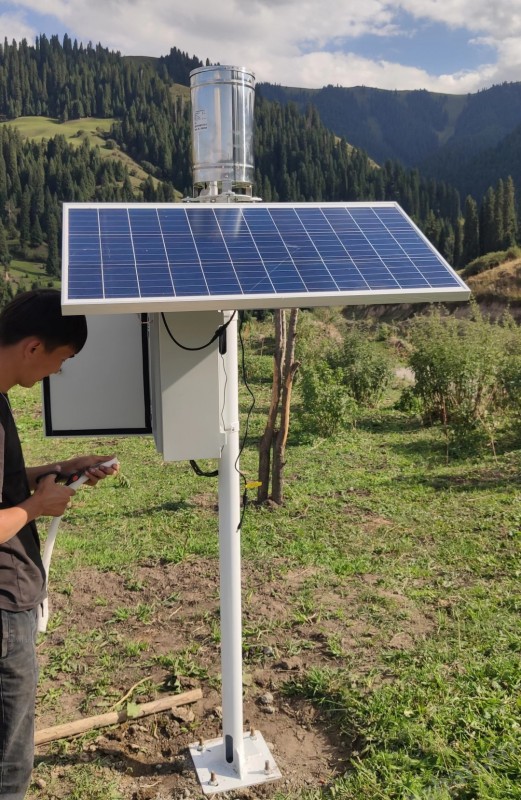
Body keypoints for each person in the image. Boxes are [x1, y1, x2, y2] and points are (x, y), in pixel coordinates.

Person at [0, 289, 119, 799]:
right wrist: (35, 508)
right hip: (3, 608)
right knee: (8, 762)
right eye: (61, 359)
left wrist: (55, 471)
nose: (58, 371)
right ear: (33, 347)